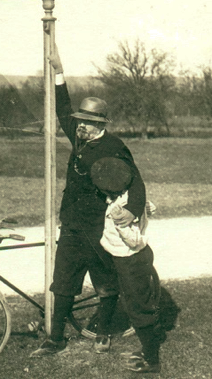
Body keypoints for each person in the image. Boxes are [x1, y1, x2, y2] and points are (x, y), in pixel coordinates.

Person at [30, 47, 149, 372]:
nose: (79, 126)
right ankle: (54, 339)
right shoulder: (80, 140)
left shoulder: (114, 147)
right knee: (63, 283)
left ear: (100, 125)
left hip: (99, 228)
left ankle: (104, 331)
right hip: (71, 227)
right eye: (80, 121)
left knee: (105, 283)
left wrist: (133, 210)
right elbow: (62, 107)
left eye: (87, 122)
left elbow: (136, 183)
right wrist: (58, 70)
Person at [90, 157, 164, 373]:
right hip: (124, 258)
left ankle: (152, 360)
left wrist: (120, 225)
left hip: (131, 259)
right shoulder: (130, 197)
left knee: (137, 307)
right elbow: (150, 207)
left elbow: (135, 240)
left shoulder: (121, 210)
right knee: (137, 303)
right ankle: (149, 349)